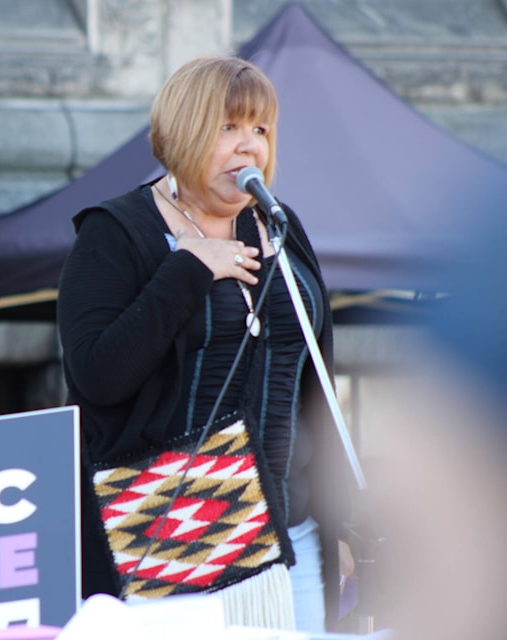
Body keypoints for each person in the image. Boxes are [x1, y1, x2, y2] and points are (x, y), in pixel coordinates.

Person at [56, 56, 349, 633]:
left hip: (293, 535)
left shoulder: (280, 225)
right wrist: (188, 269)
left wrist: (341, 521)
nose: (249, 148)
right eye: (228, 128)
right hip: (177, 537)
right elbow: (97, 375)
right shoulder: (115, 232)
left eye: (260, 130)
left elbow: (316, 385)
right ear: (185, 132)